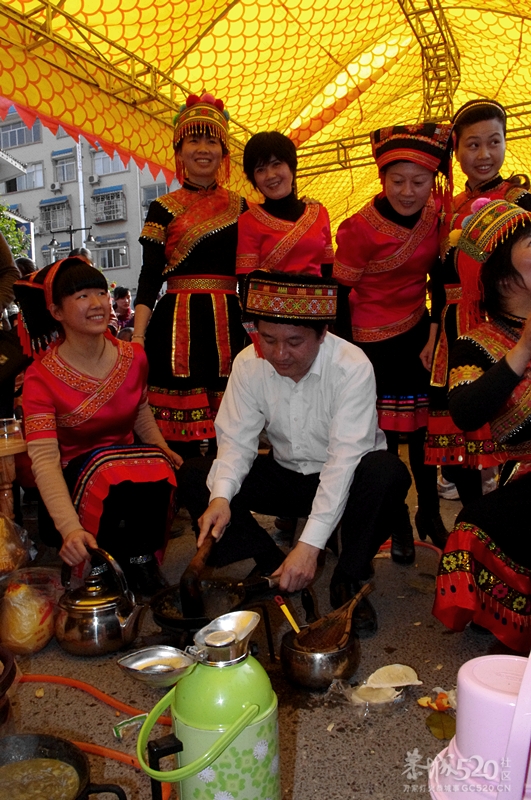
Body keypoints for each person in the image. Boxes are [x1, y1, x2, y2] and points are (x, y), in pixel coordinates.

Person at [178, 270, 412, 635]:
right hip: (287, 473)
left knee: (388, 473)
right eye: (267, 339)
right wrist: (221, 497)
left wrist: (310, 546)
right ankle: (271, 562)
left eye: (294, 341)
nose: (279, 354)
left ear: (322, 335)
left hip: (347, 478)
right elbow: (236, 441)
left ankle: (348, 580)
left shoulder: (351, 367)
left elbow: (343, 462)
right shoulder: (248, 364)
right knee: (196, 475)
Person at [15, 257, 182, 597]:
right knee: (108, 469)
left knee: (162, 464)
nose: (96, 304)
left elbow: (139, 410)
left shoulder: (134, 357)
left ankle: (140, 557)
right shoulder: (40, 378)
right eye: (80, 296)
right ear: (56, 311)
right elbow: (45, 461)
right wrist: (69, 528)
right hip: (72, 491)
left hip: (129, 482)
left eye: (100, 293)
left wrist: (161, 447)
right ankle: (95, 560)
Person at [334, 123, 453, 563]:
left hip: (418, 333)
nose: (408, 192)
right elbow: (341, 295)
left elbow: (439, 279)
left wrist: (436, 333)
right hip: (369, 341)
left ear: (432, 182)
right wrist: (349, 358)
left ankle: (430, 513)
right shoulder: (359, 229)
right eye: (397, 181)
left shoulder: (437, 213)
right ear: (382, 179)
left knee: (422, 431)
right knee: (382, 439)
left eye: (419, 182)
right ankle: (399, 520)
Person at [432, 199, 531, 651]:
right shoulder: (478, 343)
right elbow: (466, 410)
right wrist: (523, 349)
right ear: (501, 271)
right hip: (526, 476)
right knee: (472, 528)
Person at [427, 99, 531, 504]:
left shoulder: (521, 202)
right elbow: (438, 280)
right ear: (457, 151)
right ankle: (475, 515)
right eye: (473, 145)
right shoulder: (445, 210)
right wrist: (432, 336)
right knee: (457, 432)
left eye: (494, 142)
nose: (485, 155)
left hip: (505, 326)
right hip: (454, 327)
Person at [134, 92, 246, 460]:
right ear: (179, 152)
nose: (203, 149)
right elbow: (150, 276)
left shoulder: (242, 207)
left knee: (230, 425)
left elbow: (252, 270)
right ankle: (179, 494)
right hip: (176, 323)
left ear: (223, 150)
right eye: (193, 140)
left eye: (211, 140)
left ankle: (225, 496)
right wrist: (136, 337)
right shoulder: (162, 207)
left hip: (229, 321)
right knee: (176, 425)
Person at [236, 131, 334, 278]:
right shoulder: (248, 221)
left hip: (317, 299)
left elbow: (328, 269)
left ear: (291, 166)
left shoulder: (319, 213)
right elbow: (246, 278)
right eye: (260, 170)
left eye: (276, 164)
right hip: (267, 300)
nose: (270, 175)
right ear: (253, 178)